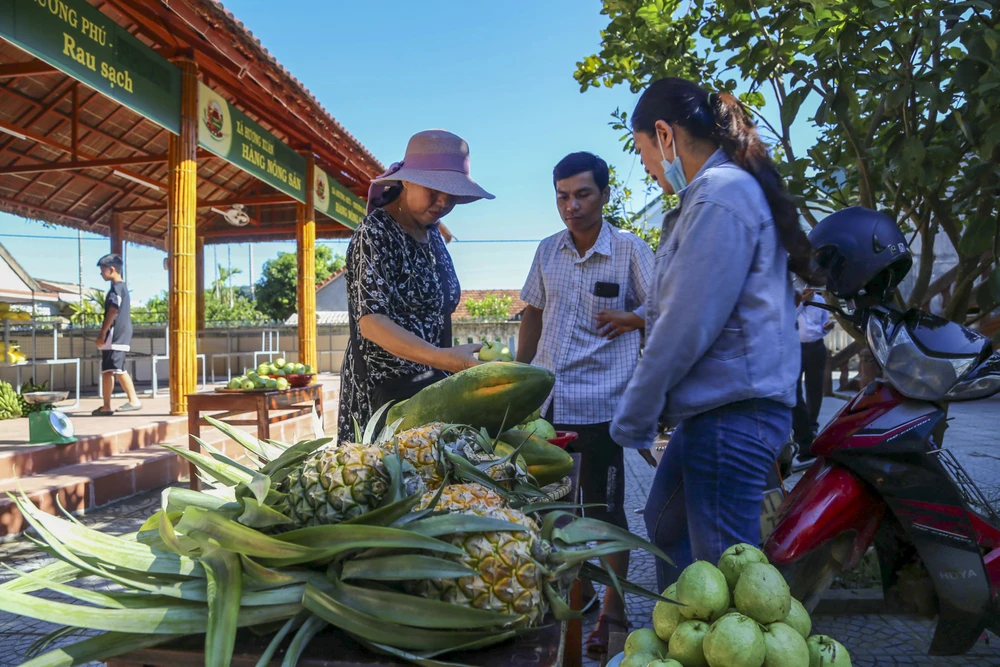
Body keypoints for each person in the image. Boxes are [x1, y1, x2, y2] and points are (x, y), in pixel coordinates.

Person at [609, 78, 820, 591]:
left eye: (643, 154)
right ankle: (682, 637)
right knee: (666, 523)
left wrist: (635, 415)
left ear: (664, 134)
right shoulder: (713, 195)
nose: (648, 168)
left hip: (734, 414)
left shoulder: (720, 196)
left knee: (726, 574)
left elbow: (687, 320)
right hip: (716, 412)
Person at [517, 152, 654, 656]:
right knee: (555, 509)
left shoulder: (632, 251)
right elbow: (532, 313)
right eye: (562, 195)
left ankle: (615, 611)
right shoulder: (547, 251)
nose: (570, 206)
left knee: (605, 509)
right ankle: (585, 595)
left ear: (604, 195)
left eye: (582, 194)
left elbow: (663, 307)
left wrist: (632, 319)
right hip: (549, 404)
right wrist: (519, 380)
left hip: (602, 407)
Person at [337, 130, 493, 443]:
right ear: (406, 180)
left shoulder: (433, 235)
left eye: (452, 195)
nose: (443, 202)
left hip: (429, 389)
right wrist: (443, 357)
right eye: (434, 189)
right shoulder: (375, 232)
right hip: (383, 399)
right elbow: (372, 323)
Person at [94, 253, 141, 415]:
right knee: (108, 369)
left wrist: (102, 332)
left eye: (102, 270)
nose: (101, 273)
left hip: (116, 334)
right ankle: (106, 405)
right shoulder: (121, 288)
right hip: (117, 334)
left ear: (112, 269)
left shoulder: (117, 288)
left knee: (117, 368)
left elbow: (113, 310)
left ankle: (134, 400)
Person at [792, 286, 835, 461]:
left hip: (816, 347)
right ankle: (803, 433)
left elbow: (823, 325)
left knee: (815, 389)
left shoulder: (821, 301)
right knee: (794, 391)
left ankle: (812, 426)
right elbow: (789, 317)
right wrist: (801, 301)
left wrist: (827, 328)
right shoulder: (792, 299)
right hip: (795, 348)